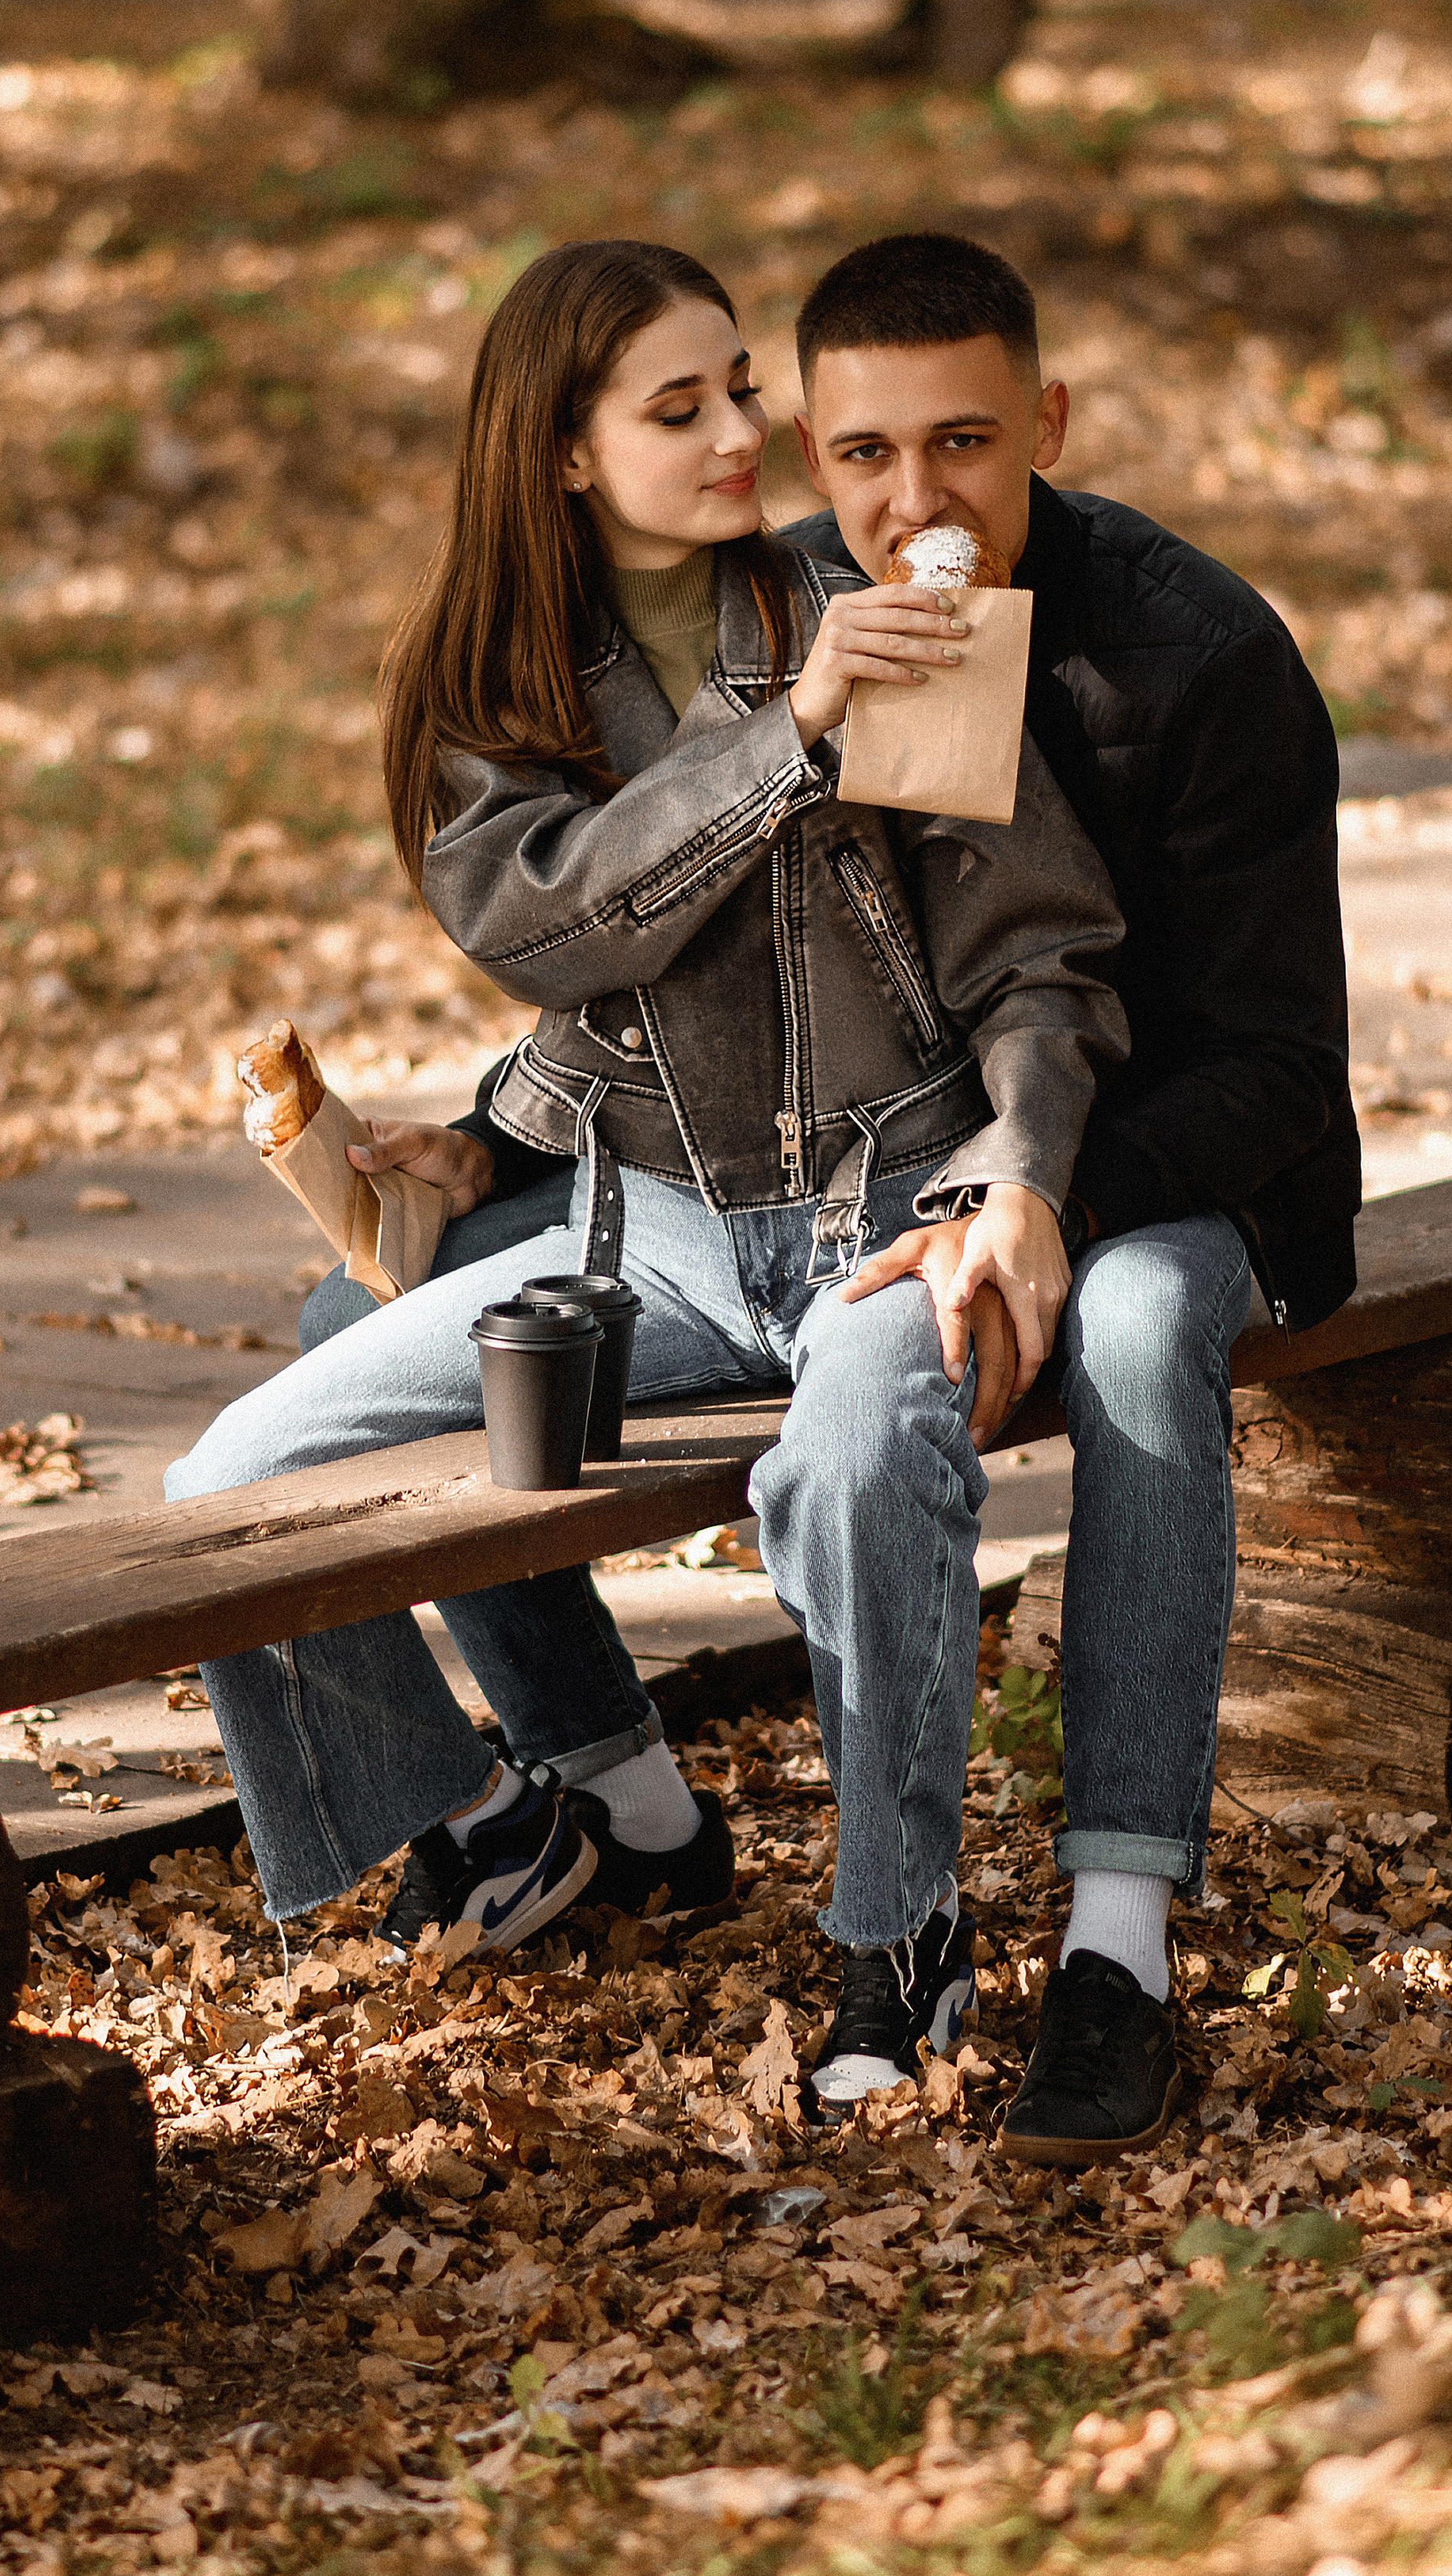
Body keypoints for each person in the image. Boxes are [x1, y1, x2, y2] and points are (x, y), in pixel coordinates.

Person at [362, 232, 1358, 2164]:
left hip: (1169, 1166)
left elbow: (1265, 1070)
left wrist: (1034, 1191)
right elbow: (663, 964)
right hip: (930, 1175)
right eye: (861, 455)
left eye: (966, 445)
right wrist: (496, 1135)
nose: (916, 503)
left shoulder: (1196, 649)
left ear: (1045, 428)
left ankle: (1113, 1938)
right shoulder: (822, 627)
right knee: (370, 1334)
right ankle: (603, 1796)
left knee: (1139, 1326)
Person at [166, 241, 1129, 2090]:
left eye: (738, 389)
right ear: (559, 453)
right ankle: (565, 1806)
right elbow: (572, 937)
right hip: (655, 1249)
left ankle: (896, 1938)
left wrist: (1016, 1168)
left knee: (854, 1462)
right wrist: (495, 1126)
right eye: (674, 409)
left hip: (889, 1217)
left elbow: (1030, 950)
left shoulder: (865, 602)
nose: (737, 435)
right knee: (242, 1476)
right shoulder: (485, 690)